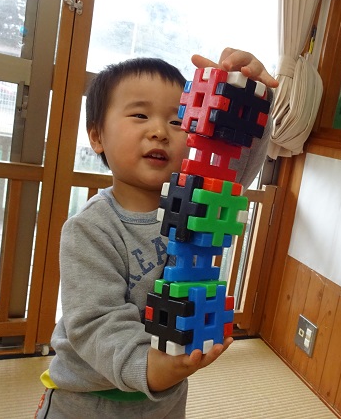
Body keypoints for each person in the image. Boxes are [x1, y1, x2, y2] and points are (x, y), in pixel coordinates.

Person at [35, 48, 278, 419]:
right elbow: (95, 323)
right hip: (88, 401)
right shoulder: (90, 229)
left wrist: (249, 98)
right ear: (97, 136)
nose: (160, 132)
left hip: (165, 398)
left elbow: (232, 158)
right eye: (139, 115)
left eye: (178, 120)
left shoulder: (200, 201)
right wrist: (149, 366)